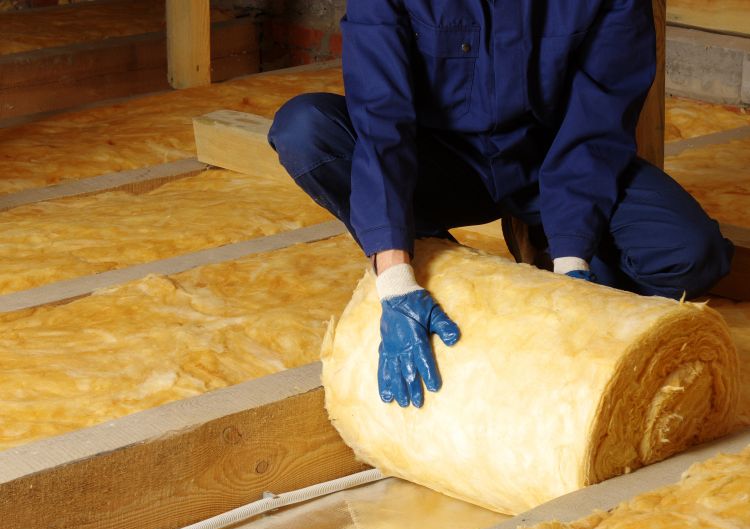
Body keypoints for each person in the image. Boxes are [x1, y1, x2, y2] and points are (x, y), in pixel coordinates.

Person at [268, 0, 733, 409]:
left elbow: (595, 128)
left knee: (691, 252)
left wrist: (573, 264)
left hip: (548, 164)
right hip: (437, 163)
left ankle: (542, 238)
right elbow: (381, 121)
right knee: (305, 129)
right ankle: (440, 262)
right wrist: (394, 279)